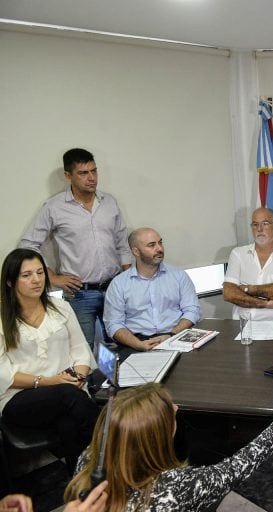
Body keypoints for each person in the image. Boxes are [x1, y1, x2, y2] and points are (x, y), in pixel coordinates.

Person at [64, 383, 273, 511]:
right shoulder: (173, 489)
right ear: (154, 438)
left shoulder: (87, 460)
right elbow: (237, 467)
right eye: (169, 412)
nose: (176, 408)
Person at [19, 148, 131, 348]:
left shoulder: (109, 202)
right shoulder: (54, 207)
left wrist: (128, 278)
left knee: (123, 347)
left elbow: (121, 241)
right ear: (68, 175)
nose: (92, 178)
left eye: (94, 171)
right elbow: (28, 244)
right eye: (83, 173)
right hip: (80, 294)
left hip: (115, 288)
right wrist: (52, 277)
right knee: (82, 353)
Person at [0, 249, 98, 473]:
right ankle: (121, 450)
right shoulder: (2, 317)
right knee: (68, 397)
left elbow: (80, 348)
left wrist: (79, 375)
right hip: (18, 398)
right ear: (9, 281)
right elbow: (2, 373)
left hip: (66, 392)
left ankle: (83, 486)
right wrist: (50, 382)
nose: (36, 280)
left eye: (40, 272)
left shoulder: (60, 307)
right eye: (26, 275)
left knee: (69, 424)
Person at [104, 228, 200, 357]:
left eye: (160, 243)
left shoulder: (179, 276)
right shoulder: (119, 284)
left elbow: (192, 310)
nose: (159, 249)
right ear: (136, 251)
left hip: (175, 336)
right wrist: (138, 345)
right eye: (151, 245)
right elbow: (114, 324)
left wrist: (171, 335)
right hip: (136, 342)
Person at [223, 208, 273, 321]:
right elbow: (229, 293)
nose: (259, 229)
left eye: (265, 223)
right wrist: (264, 303)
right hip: (242, 326)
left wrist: (248, 289)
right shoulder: (238, 254)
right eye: (255, 224)